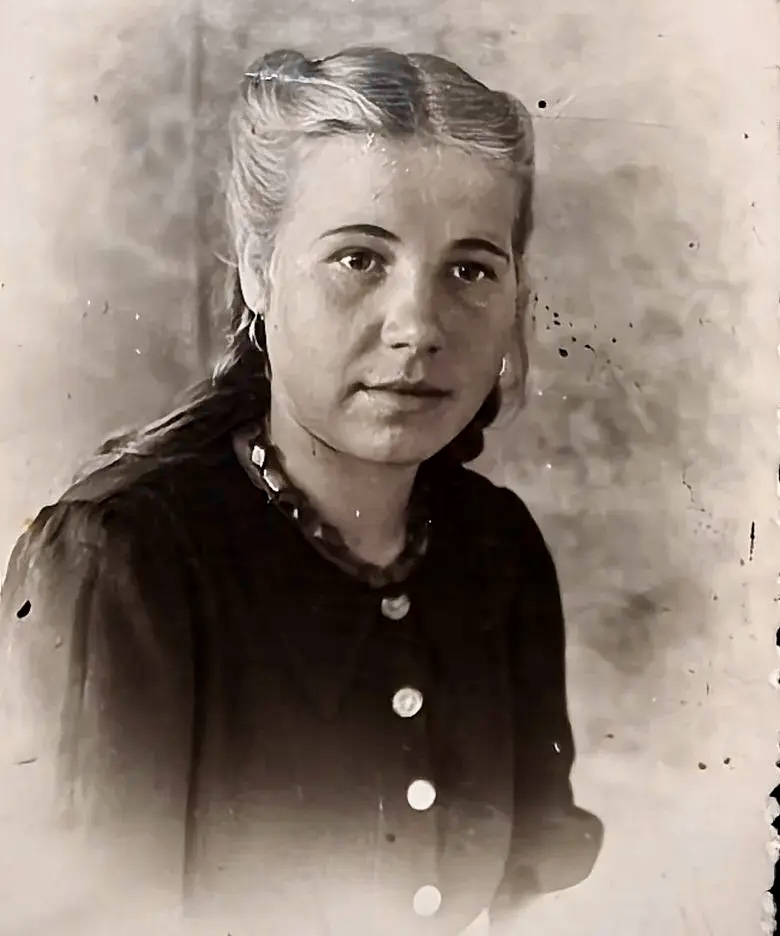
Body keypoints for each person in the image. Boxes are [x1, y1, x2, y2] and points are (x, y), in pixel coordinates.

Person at [0, 46, 603, 936]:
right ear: (258, 269)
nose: (418, 327)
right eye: (360, 258)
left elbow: (536, 895)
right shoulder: (120, 559)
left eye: (471, 269)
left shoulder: (496, 545)